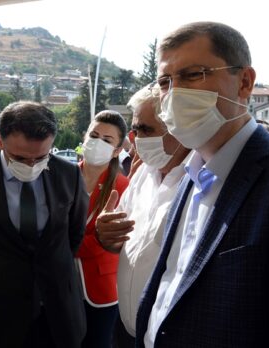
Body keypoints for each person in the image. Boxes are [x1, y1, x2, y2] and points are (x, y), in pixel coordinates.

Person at [134, 22, 269, 347]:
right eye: (165, 82)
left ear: (245, 82)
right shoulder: (189, 176)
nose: (174, 93)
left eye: (193, 75)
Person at [0, 101, 88, 348]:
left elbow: (74, 235)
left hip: (57, 316)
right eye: (20, 157)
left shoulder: (69, 175)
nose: (31, 165)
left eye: (41, 157)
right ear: (0, 142)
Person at [94, 85, 191, 348]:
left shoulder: (201, 181)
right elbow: (124, 240)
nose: (135, 139)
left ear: (178, 129)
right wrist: (108, 236)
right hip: (126, 330)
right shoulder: (142, 174)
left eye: (145, 130)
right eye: (134, 130)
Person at [75, 110, 129, 348]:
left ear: (117, 150)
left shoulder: (123, 186)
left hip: (101, 289)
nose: (97, 143)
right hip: (61, 285)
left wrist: (68, 246)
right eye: (93, 135)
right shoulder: (64, 176)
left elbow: (113, 238)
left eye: (107, 140)